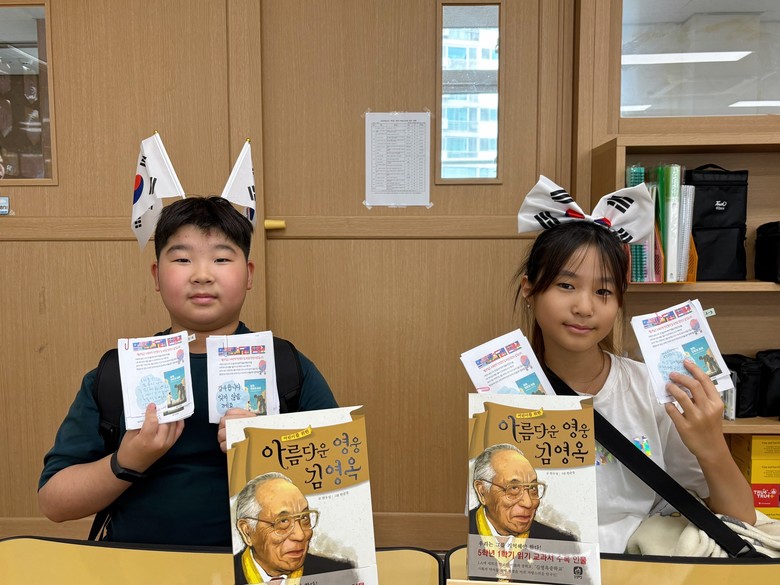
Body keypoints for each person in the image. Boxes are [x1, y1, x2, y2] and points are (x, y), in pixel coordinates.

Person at [38, 196, 340, 546]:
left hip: (259, 567)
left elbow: (342, 487)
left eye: (221, 259)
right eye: (182, 259)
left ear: (249, 274)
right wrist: (127, 460)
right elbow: (54, 502)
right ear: (156, 275)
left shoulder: (286, 367)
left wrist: (265, 454)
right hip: (135, 564)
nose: (202, 275)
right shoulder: (117, 374)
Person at [514, 177, 756, 553]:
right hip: (548, 566)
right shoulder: (506, 392)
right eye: (566, 285)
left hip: (644, 567)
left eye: (603, 291)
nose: (584, 307)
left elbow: (740, 521)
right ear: (530, 289)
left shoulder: (652, 388)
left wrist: (711, 443)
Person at [234, 472, 354, 583]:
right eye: (283, 521)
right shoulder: (228, 572)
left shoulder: (339, 575)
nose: (300, 535)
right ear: (247, 531)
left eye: (304, 518)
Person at [470, 443, 577, 542]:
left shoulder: (560, 543)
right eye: (514, 488)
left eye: (533, 488)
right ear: (482, 491)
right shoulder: (463, 531)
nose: (528, 503)